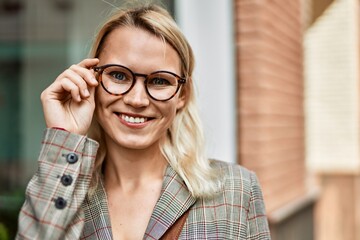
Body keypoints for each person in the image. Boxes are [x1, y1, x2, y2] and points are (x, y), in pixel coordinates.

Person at [16, 3, 270, 240]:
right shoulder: (61, 188)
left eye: (159, 80)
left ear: (183, 95)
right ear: (92, 81)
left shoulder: (238, 190)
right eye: (118, 75)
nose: (137, 100)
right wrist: (66, 135)